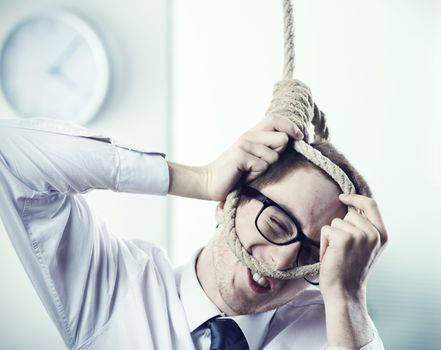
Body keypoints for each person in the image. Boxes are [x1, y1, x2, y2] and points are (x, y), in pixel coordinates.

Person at [0, 116, 388, 350]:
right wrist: (200, 179)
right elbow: (10, 154)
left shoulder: (335, 331)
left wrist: (348, 299)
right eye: (276, 224)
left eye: (312, 255)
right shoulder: (115, 288)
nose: (284, 259)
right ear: (227, 203)